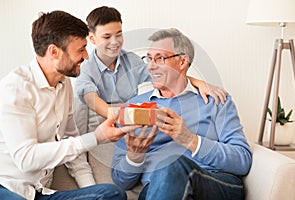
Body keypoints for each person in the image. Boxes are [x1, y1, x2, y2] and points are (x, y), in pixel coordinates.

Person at [0, 10, 137, 200]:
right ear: (54, 51)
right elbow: (26, 159)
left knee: (111, 194)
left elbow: (72, 140)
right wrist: (96, 137)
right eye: (80, 49)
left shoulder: (65, 84)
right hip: (10, 189)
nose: (87, 56)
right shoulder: (16, 87)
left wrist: (92, 191)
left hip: (42, 193)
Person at [111, 28, 252, 200]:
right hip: (156, 189)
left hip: (213, 182)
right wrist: (134, 157)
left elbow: (242, 160)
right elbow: (121, 181)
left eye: (159, 58)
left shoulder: (215, 100)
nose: (150, 65)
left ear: (182, 61)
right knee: (165, 174)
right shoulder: (134, 108)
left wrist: (190, 140)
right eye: (148, 58)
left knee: (170, 165)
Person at [75, 6, 227, 134]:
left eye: (119, 34)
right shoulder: (84, 69)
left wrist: (198, 83)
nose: (114, 42)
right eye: (106, 37)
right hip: (103, 129)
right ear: (92, 38)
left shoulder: (131, 60)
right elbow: (106, 111)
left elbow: (164, 76)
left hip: (131, 124)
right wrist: (153, 116)